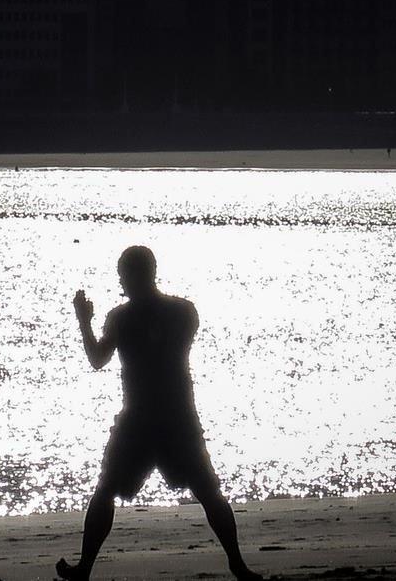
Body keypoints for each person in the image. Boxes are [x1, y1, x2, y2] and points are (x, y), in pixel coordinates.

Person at [56, 246, 262, 581]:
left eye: (123, 274)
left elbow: (97, 359)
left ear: (137, 274)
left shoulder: (122, 317)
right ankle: (237, 565)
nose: (120, 280)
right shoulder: (183, 312)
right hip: (174, 416)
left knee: (111, 489)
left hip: (145, 419)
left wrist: (83, 322)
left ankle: (85, 570)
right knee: (205, 491)